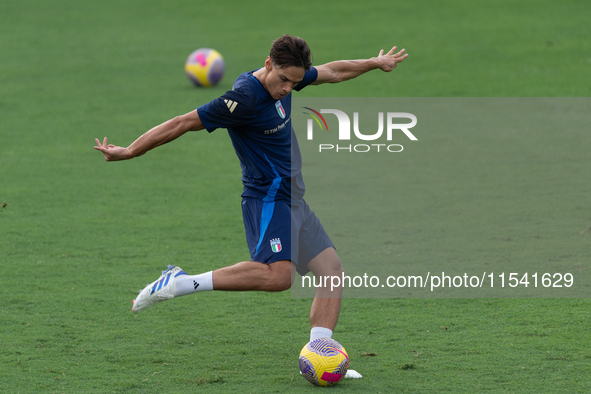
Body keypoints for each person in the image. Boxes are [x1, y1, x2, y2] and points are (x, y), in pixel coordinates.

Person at [94, 35, 407, 378]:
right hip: (267, 198)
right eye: (284, 79)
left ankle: (322, 352)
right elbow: (182, 122)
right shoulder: (243, 99)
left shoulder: (289, 80)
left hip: (294, 199)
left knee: (331, 270)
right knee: (279, 277)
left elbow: (333, 71)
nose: (288, 88)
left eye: (296, 82)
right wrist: (130, 151)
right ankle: (180, 282)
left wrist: (374, 63)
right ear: (268, 63)